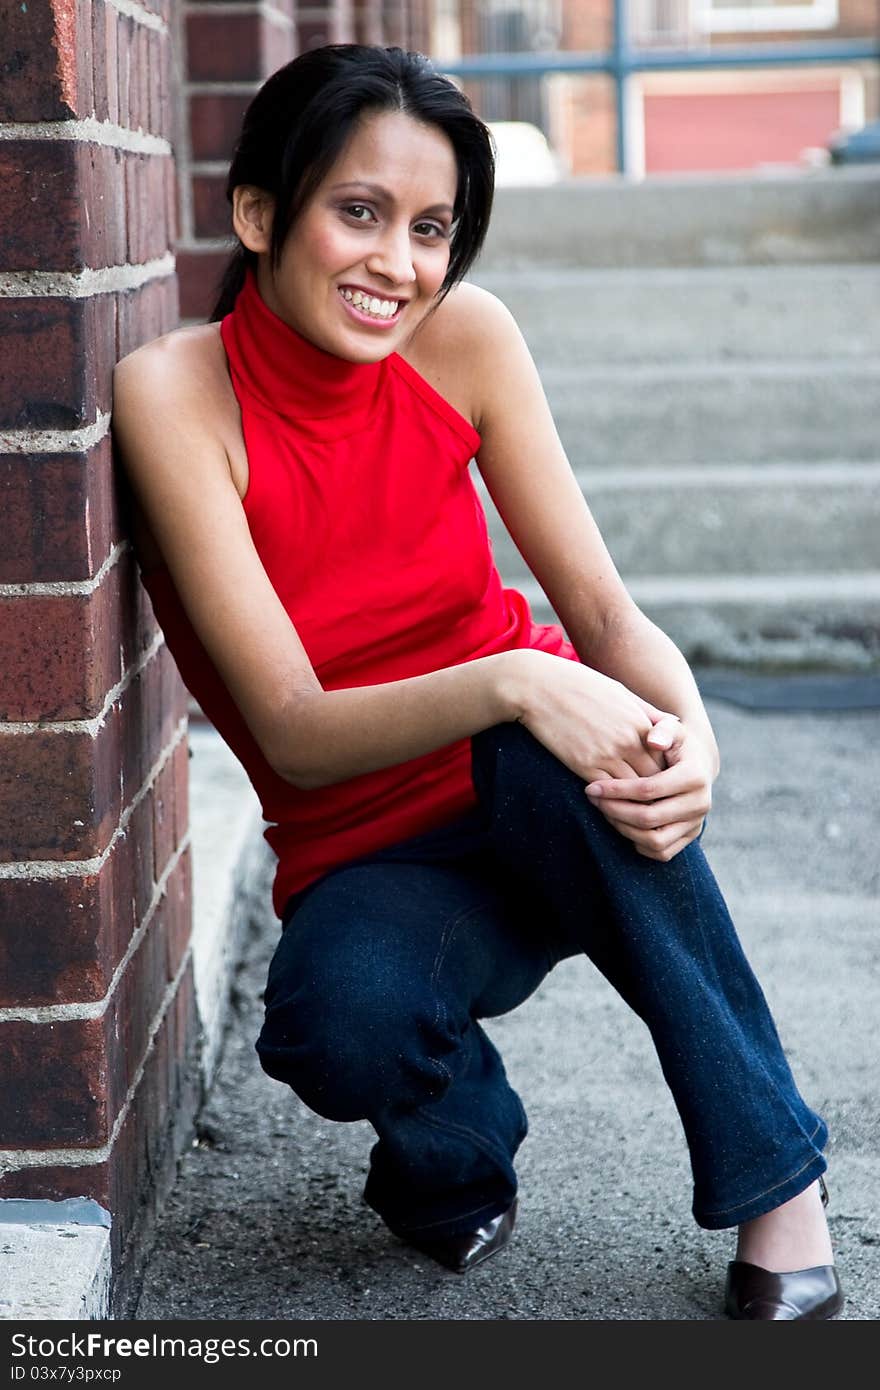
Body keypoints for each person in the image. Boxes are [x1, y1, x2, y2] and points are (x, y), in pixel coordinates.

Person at [112, 43, 842, 1321]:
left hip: (545, 793)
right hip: (370, 849)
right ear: (258, 213)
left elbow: (603, 612)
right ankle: (458, 1151)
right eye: (359, 212)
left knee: (579, 742)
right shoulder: (178, 395)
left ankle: (779, 1185)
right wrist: (509, 678)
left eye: (432, 227)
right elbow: (291, 730)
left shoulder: (466, 340)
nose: (397, 262)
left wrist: (695, 740)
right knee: (334, 1025)